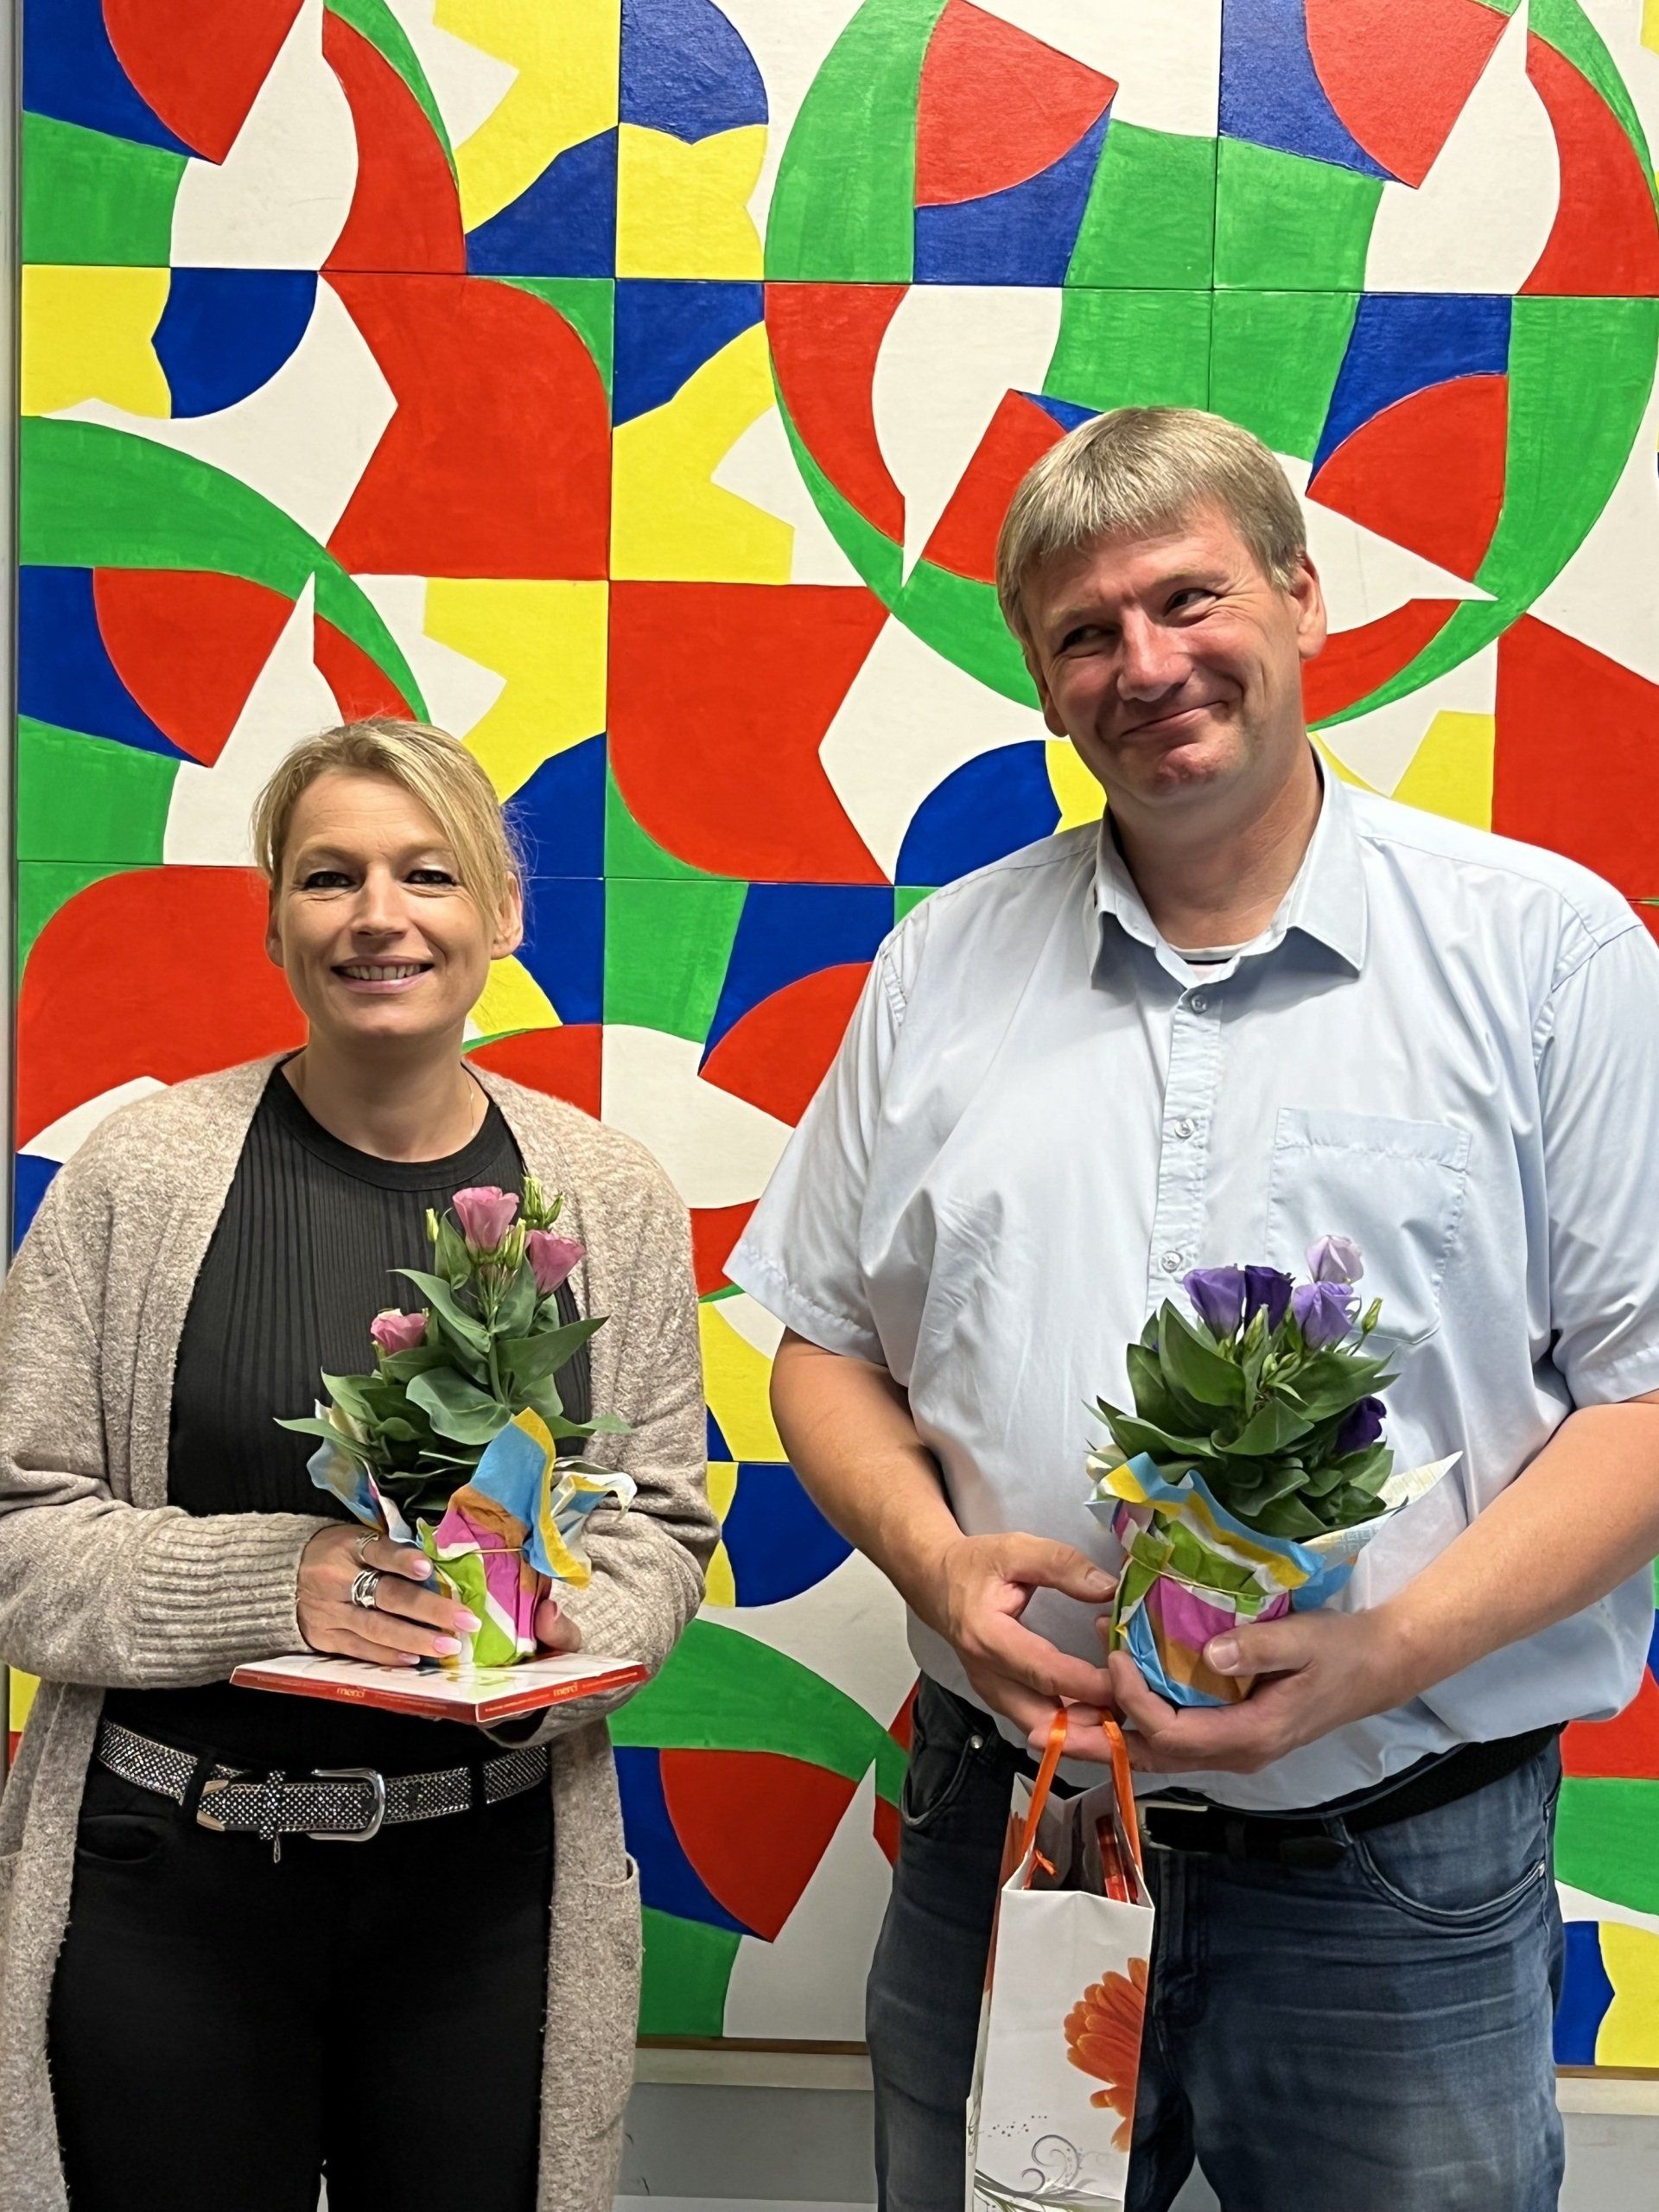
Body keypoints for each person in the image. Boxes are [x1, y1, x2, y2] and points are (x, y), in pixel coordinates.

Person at [728, 409, 1659, 2211]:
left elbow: (1646, 1398)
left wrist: (1384, 1654)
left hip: (1395, 1864)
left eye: (1188, 598)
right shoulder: (941, 965)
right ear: (1044, 680)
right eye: (1086, 632)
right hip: (1012, 1833)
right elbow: (825, 1346)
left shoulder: (1549, 954)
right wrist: (933, 1559)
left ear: (1303, 597)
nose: (1146, 665)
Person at [0, 717, 715, 2212]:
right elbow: (18, 1533)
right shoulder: (139, 1176)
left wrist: (565, 1620)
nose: (379, 916)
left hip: (487, 1892)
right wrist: (287, 1579)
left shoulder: (612, 1196)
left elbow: (659, 1521)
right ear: (274, 920)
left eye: (428, 874)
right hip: (169, 1879)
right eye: (329, 877)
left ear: (501, 915)